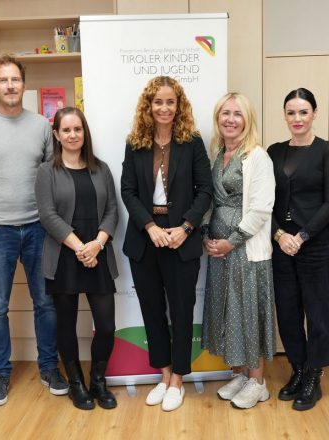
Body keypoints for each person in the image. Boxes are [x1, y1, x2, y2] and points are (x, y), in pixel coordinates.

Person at [0, 55, 68, 406]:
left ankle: (48, 367)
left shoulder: (42, 126)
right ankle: (0, 373)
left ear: (24, 85)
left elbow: (52, 176)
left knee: (45, 302)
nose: (10, 85)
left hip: (38, 228)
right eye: (3, 80)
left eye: (15, 79)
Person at [121, 76, 212, 412]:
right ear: (149, 105)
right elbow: (127, 190)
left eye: (169, 102)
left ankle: (179, 379)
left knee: (182, 309)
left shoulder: (193, 142)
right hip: (145, 239)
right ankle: (163, 374)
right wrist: (149, 225)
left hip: (181, 238)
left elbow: (205, 191)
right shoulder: (135, 142)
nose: (163, 108)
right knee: (152, 310)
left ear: (179, 106)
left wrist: (186, 226)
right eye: (157, 102)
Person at [35, 107, 119, 411]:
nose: (73, 135)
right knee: (66, 325)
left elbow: (112, 210)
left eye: (77, 129)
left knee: (107, 325)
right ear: (56, 135)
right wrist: (79, 247)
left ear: (85, 133)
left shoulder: (101, 168)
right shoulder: (47, 171)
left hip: (98, 254)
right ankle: (76, 383)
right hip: (64, 258)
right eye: (66, 130)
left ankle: (98, 381)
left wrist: (96, 245)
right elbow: (47, 215)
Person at [267, 88, 329, 411]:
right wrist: (279, 234)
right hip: (281, 245)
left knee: (317, 314)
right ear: (284, 115)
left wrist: (303, 235)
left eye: (303, 112)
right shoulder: (273, 152)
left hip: (315, 245)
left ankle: (314, 375)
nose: (297, 118)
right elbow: (264, 202)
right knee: (287, 313)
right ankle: (297, 369)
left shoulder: (327, 151)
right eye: (291, 112)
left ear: (314, 113)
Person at [201, 92, 276, 410]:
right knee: (229, 314)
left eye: (237, 114)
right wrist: (208, 236)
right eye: (225, 113)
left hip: (246, 251)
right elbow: (212, 201)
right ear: (218, 118)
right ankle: (244, 374)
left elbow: (261, 209)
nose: (230, 119)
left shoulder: (257, 156)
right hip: (220, 251)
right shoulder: (218, 153)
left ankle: (258, 382)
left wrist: (231, 241)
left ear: (248, 120)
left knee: (248, 315)